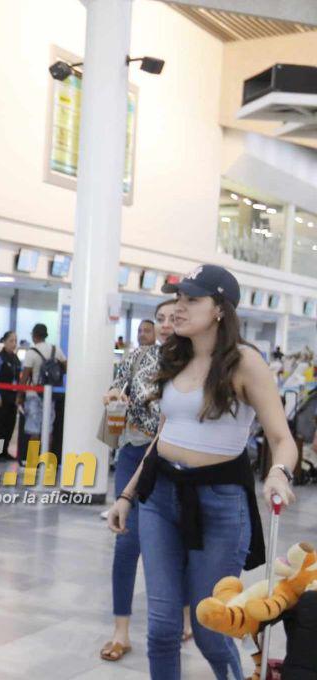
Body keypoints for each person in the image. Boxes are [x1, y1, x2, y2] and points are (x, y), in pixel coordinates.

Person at [108, 265, 297, 680]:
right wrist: (127, 496)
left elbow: (282, 437)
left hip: (220, 503)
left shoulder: (245, 363)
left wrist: (279, 473)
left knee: (212, 626)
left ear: (219, 310)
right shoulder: (176, 355)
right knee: (161, 627)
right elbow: (163, 434)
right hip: (159, 497)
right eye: (178, 299)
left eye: (191, 300)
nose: (179, 308)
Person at [99, 300, 196, 662]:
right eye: (161, 319)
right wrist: (113, 396)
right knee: (126, 541)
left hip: (179, 459)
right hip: (135, 452)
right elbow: (113, 387)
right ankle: (120, 631)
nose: (167, 324)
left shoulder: (195, 360)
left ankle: (187, 614)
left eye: (175, 317)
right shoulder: (139, 357)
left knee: (182, 538)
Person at [17, 323, 66, 463]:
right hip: (50, 395)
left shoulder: (31, 352)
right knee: (48, 429)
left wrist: (19, 396)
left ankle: (32, 461)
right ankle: (46, 460)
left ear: (34, 335)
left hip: (34, 395)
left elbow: (25, 377)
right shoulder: (55, 349)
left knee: (34, 430)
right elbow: (66, 367)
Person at [0, 331, 21, 459]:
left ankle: (4, 451)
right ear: (5, 342)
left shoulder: (15, 359)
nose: (13, 344)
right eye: (11, 341)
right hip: (1, 398)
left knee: (10, 424)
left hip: (12, 398)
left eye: (15, 341)